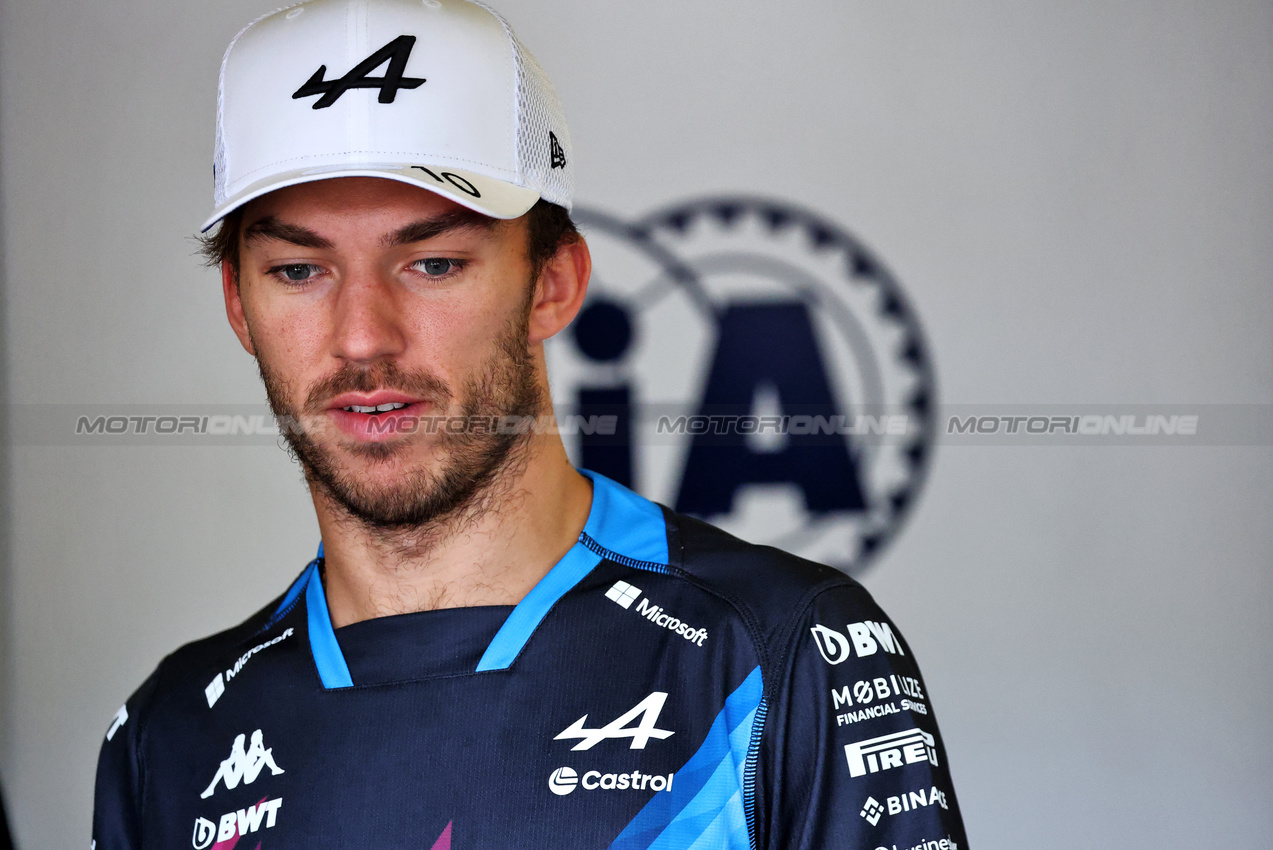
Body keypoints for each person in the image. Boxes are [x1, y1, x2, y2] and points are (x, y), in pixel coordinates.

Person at [93, 1, 969, 848]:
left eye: (433, 263)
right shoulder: (168, 734)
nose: (362, 336)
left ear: (552, 283)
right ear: (238, 307)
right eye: (297, 270)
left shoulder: (780, 657)